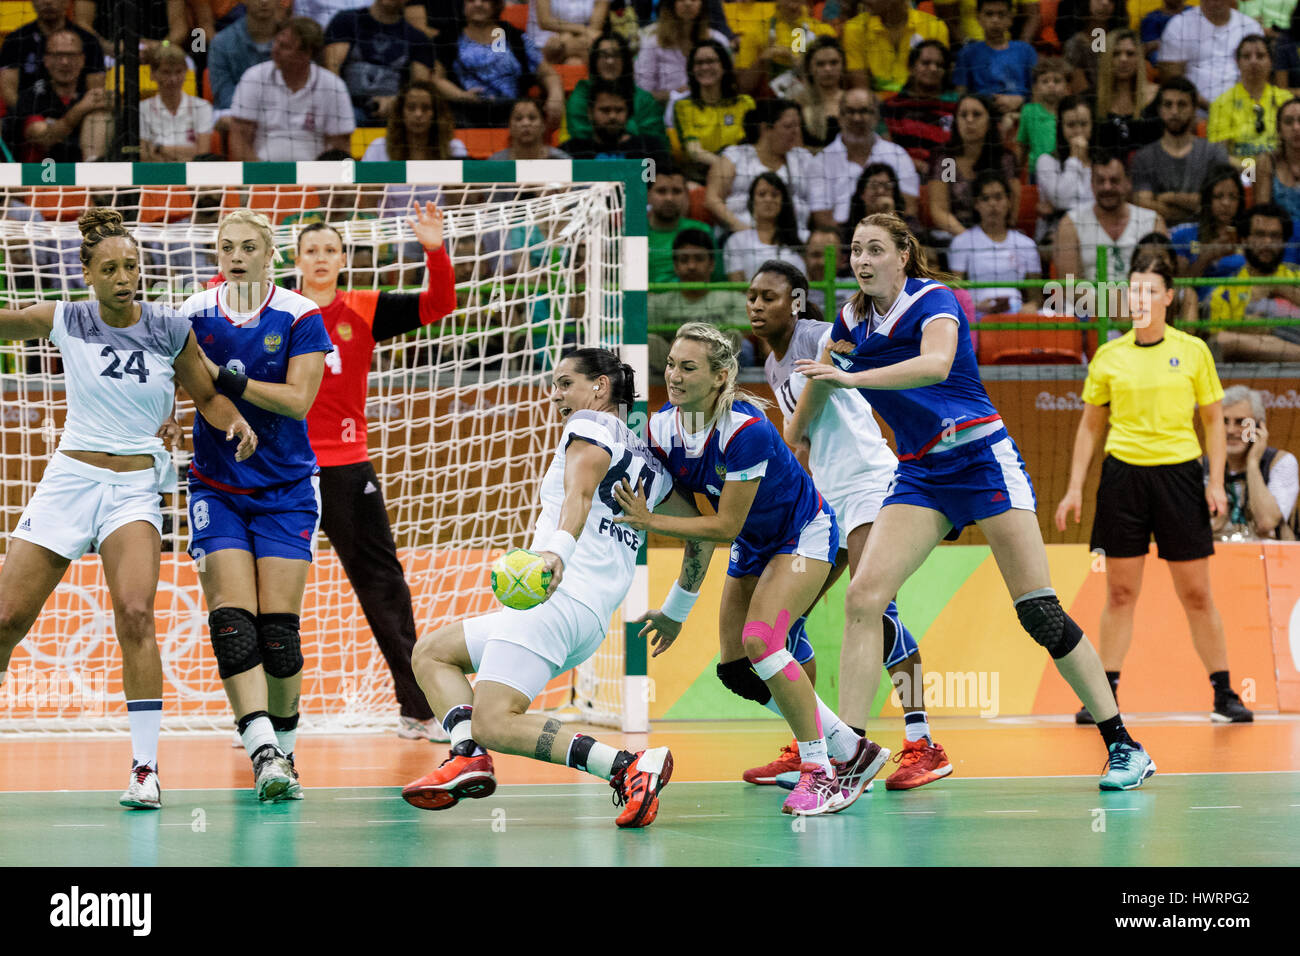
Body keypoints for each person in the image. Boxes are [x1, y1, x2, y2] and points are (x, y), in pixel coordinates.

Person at [794, 212, 1156, 790]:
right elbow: (824, 376)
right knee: (864, 597)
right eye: (856, 251)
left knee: (1038, 611)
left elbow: (936, 364)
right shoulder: (850, 320)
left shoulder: (934, 300)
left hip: (982, 459)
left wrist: (855, 380)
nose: (861, 261)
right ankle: (850, 757)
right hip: (920, 475)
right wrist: (793, 436)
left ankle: (1123, 745)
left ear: (903, 256)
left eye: (874, 250)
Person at [0, 208, 255, 810]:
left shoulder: (169, 328)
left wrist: (235, 420)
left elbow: (207, 395)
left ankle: (145, 769)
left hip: (135, 487)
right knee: (7, 617)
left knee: (137, 613)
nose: (123, 277)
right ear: (87, 273)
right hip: (70, 480)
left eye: (132, 267)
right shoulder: (66, 317)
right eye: (110, 268)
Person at [615, 324, 890, 814]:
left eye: (688, 367)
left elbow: (720, 527)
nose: (673, 376)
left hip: (802, 536)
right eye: (672, 364)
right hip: (754, 544)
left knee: (763, 641)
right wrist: (676, 611)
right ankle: (851, 747)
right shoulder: (660, 430)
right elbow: (693, 531)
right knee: (737, 669)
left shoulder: (746, 432)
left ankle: (820, 769)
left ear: (720, 376)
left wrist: (647, 519)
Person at [400, 350, 680, 827]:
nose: (556, 394)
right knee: (431, 654)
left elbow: (579, 494)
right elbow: (698, 532)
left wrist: (556, 555)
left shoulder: (590, 424)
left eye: (566, 382)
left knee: (496, 720)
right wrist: (680, 605)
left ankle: (628, 766)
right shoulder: (655, 466)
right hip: (586, 617)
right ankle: (467, 754)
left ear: (600, 388)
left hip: (553, 596)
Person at [749, 261, 952, 791]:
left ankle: (923, 743)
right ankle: (813, 744)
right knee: (787, 620)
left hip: (869, 483)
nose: (754, 305)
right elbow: (806, 440)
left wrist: (791, 431)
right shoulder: (772, 366)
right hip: (826, 500)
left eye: (767, 296)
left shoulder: (821, 334)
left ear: (794, 301)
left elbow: (828, 393)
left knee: (877, 609)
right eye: (750, 296)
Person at [1055, 251, 1253, 724]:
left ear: (1168, 297)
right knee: (1120, 594)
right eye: (1134, 290)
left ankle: (1224, 694)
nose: (1140, 298)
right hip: (1123, 477)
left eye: (1150, 290)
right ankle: (1105, 697)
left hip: (1180, 476)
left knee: (1197, 594)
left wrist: (1217, 483)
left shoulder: (1194, 351)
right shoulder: (1109, 355)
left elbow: (1211, 421)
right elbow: (1088, 429)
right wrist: (1074, 488)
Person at [181, 209, 334, 802]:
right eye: (226, 248)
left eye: (248, 246)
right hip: (215, 488)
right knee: (232, 623)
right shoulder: (193, 314)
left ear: (270, 253)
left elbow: (298, 401)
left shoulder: (298, 314)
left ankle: (286, 754)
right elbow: (184, 385)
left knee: (277, 636)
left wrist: (226, 379)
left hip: (287, 492)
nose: (236, 256)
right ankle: (262, 751)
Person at [294, 203, 456, 740]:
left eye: (329, 250)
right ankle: (264, 719)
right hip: (285, 468)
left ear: (343, 258)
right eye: (310, 249)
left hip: (346, 467)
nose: (320, 258)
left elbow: (440, 304)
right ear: (295, 259)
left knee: (383, 585)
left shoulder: (362, 307)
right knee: (269, 591)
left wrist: (434, 249)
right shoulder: (277, 311)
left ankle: (417, 709)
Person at [706, 97, 836, 246]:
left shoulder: (804, 160)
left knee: (829, 245)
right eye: (788, 126)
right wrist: (742, 229)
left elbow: (821, 208)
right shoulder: (734, 156)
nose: (796, 132)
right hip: (742, 240)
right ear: (765, 128)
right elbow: (712, 199)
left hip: (796, 242)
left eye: (798, 126)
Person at [228, 17, 355, 162]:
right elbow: (239, 138)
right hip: (262, 174)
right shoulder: (254, 77)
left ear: (306, 54)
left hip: (315, 177)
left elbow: (340, 147)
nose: (275, 49)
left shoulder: (333, 86)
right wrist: (261, 177)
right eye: (276, 42)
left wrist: (321, 180)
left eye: (285, 47)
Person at [432, 0, 564, 129]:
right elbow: (436, 79)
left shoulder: (515, 37)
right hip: (465, 112)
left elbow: (547, 73)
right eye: (471, 0)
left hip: (513, 112)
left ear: (495, 4)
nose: (478, 4)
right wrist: (462, 96)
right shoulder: (449, 37)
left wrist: (555, 95)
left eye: (485, 0)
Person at [1055, 149, 1165, 291]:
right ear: (1092, 184)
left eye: (1114, 181)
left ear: (1128, 182)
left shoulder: (1153, 222)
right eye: (1100, 181)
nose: (1107, 187)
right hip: (1088, 308)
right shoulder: (1070, 223)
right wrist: (1109, 308)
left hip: (1141, 306)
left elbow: (1162, 279)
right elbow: (1069, 287)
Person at [1131, 78, 1232, 228]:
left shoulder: (1214, 153)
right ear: (1159, 109)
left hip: (1206, 235)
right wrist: (1192, 207)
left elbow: (1219, 202)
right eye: (1168, 104)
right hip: (1158, 236)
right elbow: (1143, 204)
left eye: (1182, 104)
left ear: (1193, 109)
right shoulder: (1144, 157)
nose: (1174, 111)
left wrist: (1169, 197)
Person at [1207, 202, 1300, 361]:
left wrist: (1282, 288)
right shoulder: (1224, 292)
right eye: (1259, 235)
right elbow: (1217, 342)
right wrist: (1248, 329)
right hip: (1251, 367)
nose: (1267, 243)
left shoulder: (1296, 276)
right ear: (1244, 240)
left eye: (1275, 236)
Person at [322, 0, 436, 125]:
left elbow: (420, 87)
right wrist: (343, 103)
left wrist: (396, 101)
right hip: (348, 108)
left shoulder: (418, 39)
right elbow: (331, 70)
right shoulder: (346, 20)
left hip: (394, 114)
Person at [947, 170, 1042, 316]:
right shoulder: (962, 243)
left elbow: (1036, 297)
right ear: (976, 204)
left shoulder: (1026, 244)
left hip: (1017, 313)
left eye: (998, 197)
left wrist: (1029, 307)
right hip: (976, 312)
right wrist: (976, 306)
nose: (992, 204)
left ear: (1009, 201)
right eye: (985, 198)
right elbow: (956, 292)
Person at [651, 229, 748, 370]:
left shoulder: (733, 299)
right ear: (675, 266)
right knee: (649, 342)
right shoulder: (658, 302)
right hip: (671, 363)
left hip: (716, 365)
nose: (691, 266)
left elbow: (738, 338)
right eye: (684, 260)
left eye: (699, 259)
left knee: (736, 337)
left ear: (712, 264)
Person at [822, 87, 920, 226]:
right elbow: (821, 218)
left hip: (889, 234)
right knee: (825, 242)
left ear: (876, 116)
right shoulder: (822, 160)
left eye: (864, 111)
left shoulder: (898, 155)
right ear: (840, 117)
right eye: (850, 111)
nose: (857, 118)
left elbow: (910, 209)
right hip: (839, 239)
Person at [9, 28, 110, 163]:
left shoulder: (90, 96)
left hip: (83, 179)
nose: (64, 62)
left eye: (71, 55)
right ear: (46, 60)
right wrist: (81, 109)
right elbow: (44, 139)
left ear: (82, 60)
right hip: (40, 177)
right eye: (58, 55)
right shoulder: (31, 96)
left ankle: (91, 171)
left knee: (101, 115)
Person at [926, 94, 1020, 238]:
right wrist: (968, 239)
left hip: (996, 232)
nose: (969, 120)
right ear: (956, 122)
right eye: (963, 115)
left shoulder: (1003, 159)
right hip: (956, 234)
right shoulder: (948, 161)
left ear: (989, 121)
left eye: (976, 114)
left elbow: (1012, 209)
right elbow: (940, 210)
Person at [1214, 385, 1300, 541]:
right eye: (1224, 421)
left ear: (1258, 426)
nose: (1230, 430)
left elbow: (1266, 522)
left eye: (1240, 422)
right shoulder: (1203, 466)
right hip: (1219, 559)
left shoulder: (1281, 463)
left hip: (1272, 560)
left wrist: (1253, 463)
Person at [670, 39, 754, 182]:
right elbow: (694, 151)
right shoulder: (683, 107)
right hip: (701, 176)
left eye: (711, 61)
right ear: (692, 69)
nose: (705, 67)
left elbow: (753, 147)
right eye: (699, 63)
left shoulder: (744, 103)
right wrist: (725, 166)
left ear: (724, 66)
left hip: (743, 173)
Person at [0, 0, 105, 112]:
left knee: (100, 117)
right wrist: (30, 117)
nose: (48, 2)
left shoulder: (88, 41)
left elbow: (95, 91)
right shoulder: (16, 40)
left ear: (67, 3)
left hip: (79, 113)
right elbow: (8, 91)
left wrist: (71, 117)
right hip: (28, 116)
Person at [1157, 0, 1264, 109]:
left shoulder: (1251, 27)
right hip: (1195, 113)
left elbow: (1261, 77)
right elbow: (1172, 81)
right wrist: (1213, 110)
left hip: (1244, 110)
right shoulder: (1178, 25)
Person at [564, 31, 665, 144]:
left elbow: (655, 142)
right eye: (603, 55)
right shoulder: (582, 95)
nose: (610, 61)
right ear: (594, 61)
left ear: (625, 61)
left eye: (616, 55)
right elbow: (579, 137)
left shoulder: (644, 99)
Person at [880, 40, 958, 180]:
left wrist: (945, 182)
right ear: (911, 68)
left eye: (939, 65)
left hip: (945, 179)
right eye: (926, 63)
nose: (933, 68)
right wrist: (918, 166)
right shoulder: (890, 107)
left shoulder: (956, 107)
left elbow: (956, 152)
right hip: (900, 179)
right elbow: (886, 151)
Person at [1207, 34, 1289, 166]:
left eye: (1260, 56)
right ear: (1237, 63)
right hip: (1241, 172)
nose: (1253, 61)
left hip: (1278, 173)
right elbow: (1219, 154)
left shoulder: (1285, 100)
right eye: (1246, 56)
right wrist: (1251, 172)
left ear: (1271, 62)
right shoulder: (1221, 103)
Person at [842, 0, 949, 97]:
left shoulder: (935, 27)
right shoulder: (855, 28)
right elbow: (862, 92)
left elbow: (936, 86)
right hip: (877, 110)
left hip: (923, 106)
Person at [635, 0, 729, 105]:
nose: (688, 3)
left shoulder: (719, 41)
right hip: (663, 115)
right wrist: (676, 95)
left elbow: (728, 83)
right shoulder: (653, 43)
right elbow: (644, 90)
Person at [733, 0, 835, 97]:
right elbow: (742, 89)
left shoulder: (823, 32)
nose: (793, 6)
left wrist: (798, 61)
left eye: (796, 1)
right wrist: (762, 60)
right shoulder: (756, 32)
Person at [953, 0, 1037, 115]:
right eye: (989, 14)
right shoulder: (967, 53)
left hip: (1022, 115)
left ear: (1010, 18)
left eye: (1001, 15)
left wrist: (1021, 101)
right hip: (982, 116)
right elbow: (961, 97)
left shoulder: (1026, 51)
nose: (995, 20)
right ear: (979, 18)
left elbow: (1038, 93)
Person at [559, 82, 670, 164]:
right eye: (605, 110)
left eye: (619, 110)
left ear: (629, 113)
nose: (612, 116)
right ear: (590, 113)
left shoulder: (651, 149)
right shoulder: (571, 151)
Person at [723, 172, 807, 282]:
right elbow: (737, 287)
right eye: (762, 194)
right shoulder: (737, 241)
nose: (768, 199)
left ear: (783, 201)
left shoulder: (802, 238)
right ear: (752, 201)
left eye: (775, 195)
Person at [140, 43, 214, 162]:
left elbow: (202, 154)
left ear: (186, 72)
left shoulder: (202, 107)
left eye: (179, 72)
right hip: (155, 175)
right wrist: (187, 152)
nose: (173, 79)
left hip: (194, 175)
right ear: (153, 74)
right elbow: (143, 155)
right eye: (166, 72)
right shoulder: (142, 109)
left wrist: (159, 149)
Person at [647, 163, 720, 283]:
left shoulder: (702, 230)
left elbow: (716, 278)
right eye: (661, 191)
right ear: (648, 195)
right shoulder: (633, 233)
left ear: (687, 195)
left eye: (676, 191)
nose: (669, 198)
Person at [208, 0, 283, 118]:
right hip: (238, 120)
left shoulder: (295, 43)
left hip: (284, 119)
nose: (264, 1)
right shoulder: (221, 43)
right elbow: (225, 97)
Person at [1035, 94, 1094, 243]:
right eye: (1071, 125)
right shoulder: (1046, 161)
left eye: (1083, 124)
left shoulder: (1101, 161)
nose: (1078, 131)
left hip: (1096, 232)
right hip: (1057, 234)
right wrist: (1074, 158)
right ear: (1060, 127)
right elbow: (1062, 200)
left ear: (1092, 125)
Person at [1171, 164, 1244, 283]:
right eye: (1218, 196)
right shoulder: (1183, 236)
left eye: (1233, 197)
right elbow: (1179, 287)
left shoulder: (1249, 236)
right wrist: (1206, 257)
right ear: (1207, 199)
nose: (1226, 203)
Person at [1094, 28, 1161, 157]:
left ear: (1139, 58)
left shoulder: (1159, 97)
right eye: (1116, 53)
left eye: (1130, 54)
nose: (1123, 59)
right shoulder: (1093, 100)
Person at [361, 81, 466, 160]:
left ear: (436, 113)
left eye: (426, 108)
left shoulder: (454, 149)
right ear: (400, 112)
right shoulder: (378, 148)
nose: (418, 114)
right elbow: (364, 188)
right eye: (411, 108)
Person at [1016, 57, 1069, 176]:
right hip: (1036, 173)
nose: (1051, 85)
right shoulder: (1029, 111)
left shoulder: (1070, 111)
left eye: (1057, 81)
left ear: (1066, 87)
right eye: (1045, 81)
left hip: (1066, 169)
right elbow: (1022, 146)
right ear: (1036, 88)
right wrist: (1015, 174)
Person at [792, 36, 846, 151]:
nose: (828, 69)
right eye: (820, 64)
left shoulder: (854, 101)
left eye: (834, 63)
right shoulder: (796, 104)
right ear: (809, 68)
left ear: (843, 66)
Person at [1255, 98, 1300, 231]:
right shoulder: (1266, 161)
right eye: (1288, 122)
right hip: (1279, 240)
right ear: (1279, 129)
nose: (1296, 127)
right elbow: (1261, 215)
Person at [487, 96, 569, 161]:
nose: (526, 123)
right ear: (510, 126)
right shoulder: (496, 162)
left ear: (543, 125)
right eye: (518, 118)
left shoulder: (561, 160)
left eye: (532, 118)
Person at [528, 0, 609, 65]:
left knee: (574, 63)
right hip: (543, 44)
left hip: (577, 42)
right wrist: (582, 29)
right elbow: (545, 22)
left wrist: (566, 38)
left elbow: (593, 31)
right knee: (555, 46)